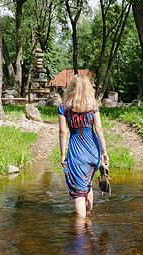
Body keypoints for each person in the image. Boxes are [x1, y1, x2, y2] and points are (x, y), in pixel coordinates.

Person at [58, 74, 109, 218]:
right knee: (88, 184)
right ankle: (89, 219)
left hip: (76, 151)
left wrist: (63, 155)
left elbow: (63, 132)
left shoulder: (64, 107)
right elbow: (99, 129)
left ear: (71, 88)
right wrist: (104, 151)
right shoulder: (93, 106)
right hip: (93, 149)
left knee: (79, 194)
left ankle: (81, 230)